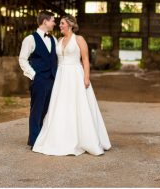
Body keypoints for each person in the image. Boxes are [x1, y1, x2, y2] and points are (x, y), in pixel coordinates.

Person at [32, 15, 112, 156]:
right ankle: (60, 137)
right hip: (61, 76)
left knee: (78, 105)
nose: (60, 25)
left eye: (62, 23)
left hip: (75, 75)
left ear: (70, 24)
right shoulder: (59, 40)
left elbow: (85, 59)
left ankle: (84, 138)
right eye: (60, 23)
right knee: (61, 106)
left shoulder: (79, 39)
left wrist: (86, 77)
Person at [18, 11, 58, 148]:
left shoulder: (53, 39)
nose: (54, 23)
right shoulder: (30, 39)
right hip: (39, 79)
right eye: (53, 20)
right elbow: (22, 59)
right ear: (45, 21)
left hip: (52, 80)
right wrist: (33, 75)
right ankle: (34, 141)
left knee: (48, 110)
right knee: (37, 110)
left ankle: (44, 138)